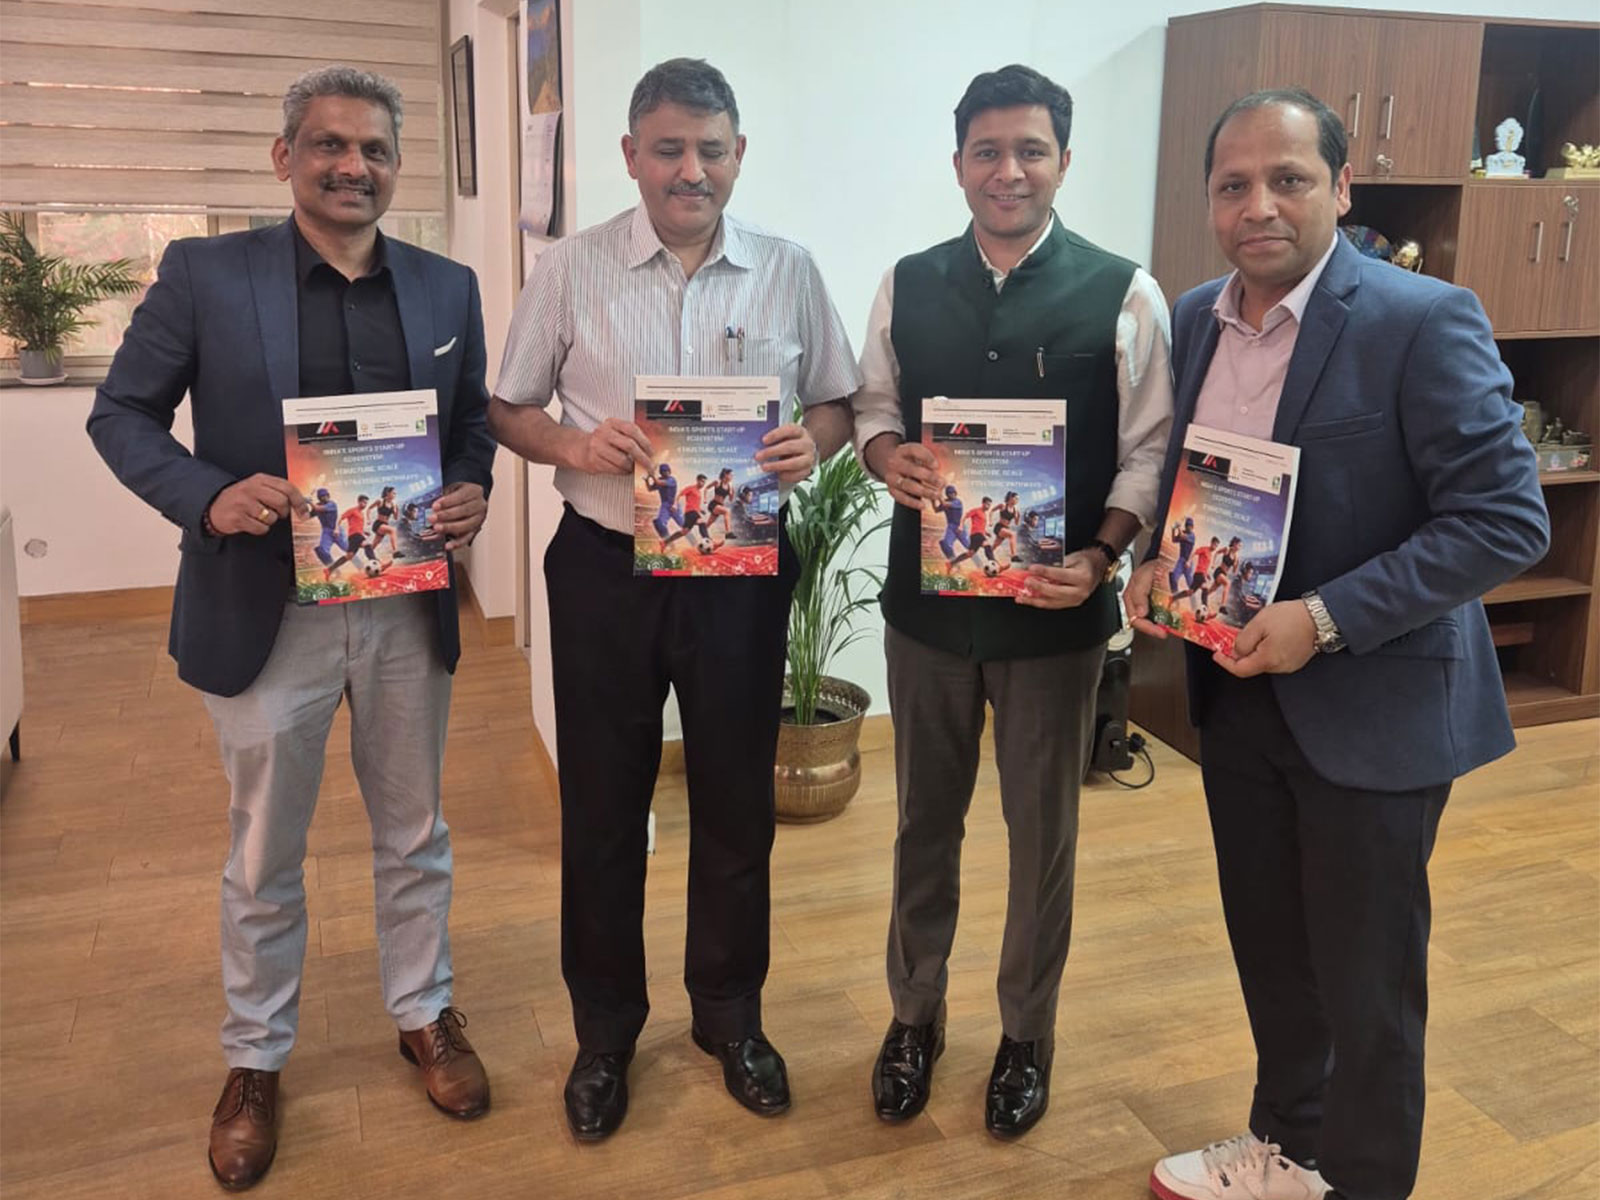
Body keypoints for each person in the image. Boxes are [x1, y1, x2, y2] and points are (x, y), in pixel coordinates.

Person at [1124, 88, 1549, 1200]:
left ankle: (1361, 1184)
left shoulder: (1421, 315)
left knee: (1368, 988)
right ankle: (1287, 1145)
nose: (1258, 204)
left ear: (1341, 188)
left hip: (1372, 706)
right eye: (1232, 184)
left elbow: (1504, 520)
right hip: (1236, 691)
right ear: (1209, 200)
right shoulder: (1192, 318)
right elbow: (1192, 485)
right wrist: (1155, 569)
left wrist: (1321, 621)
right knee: (1272, 954)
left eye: (1288, 179)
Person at [86, 65, 498, 1191]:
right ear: (285, 158)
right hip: (268, 612)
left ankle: (424, 1012)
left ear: (395, 166)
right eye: (327, 146)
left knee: (415, 833)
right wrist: (208, 495)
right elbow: (119, 412)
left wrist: (473, 493)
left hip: (407, 609)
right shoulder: (207, 275)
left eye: (372, 149)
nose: (350, 166)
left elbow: (468, 433)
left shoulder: (448, 287)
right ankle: (256, 1056)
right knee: (266, 853)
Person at [486, 57, 860, 1142]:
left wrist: (808, 444)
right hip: (606, 564)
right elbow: (509, 409)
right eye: (667, 149)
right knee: (604, 806)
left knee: (738, 804)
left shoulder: (788, 270)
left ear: (738, 155)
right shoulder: (569, 270)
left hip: (739, 572)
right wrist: (571, 440)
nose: (689, 170)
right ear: (631, 156)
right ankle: (605, 1033)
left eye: (710, 149)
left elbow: (834, 402)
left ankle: (729, 1018)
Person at [848, 64, 1173, 1138]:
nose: (1008, 170)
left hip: (1054, 615)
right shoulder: (906, 278)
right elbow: (873, 403)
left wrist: (1103, 553)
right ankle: (914, 1018)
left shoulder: (1124, 291)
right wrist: (885, 453)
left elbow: (1147, 450)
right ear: (957, 165)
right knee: (920, 828)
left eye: (1030, 150)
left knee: (1043, 838)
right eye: (986, 151)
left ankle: (1026, 1034)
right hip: (926, 614)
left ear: (1063, 162)